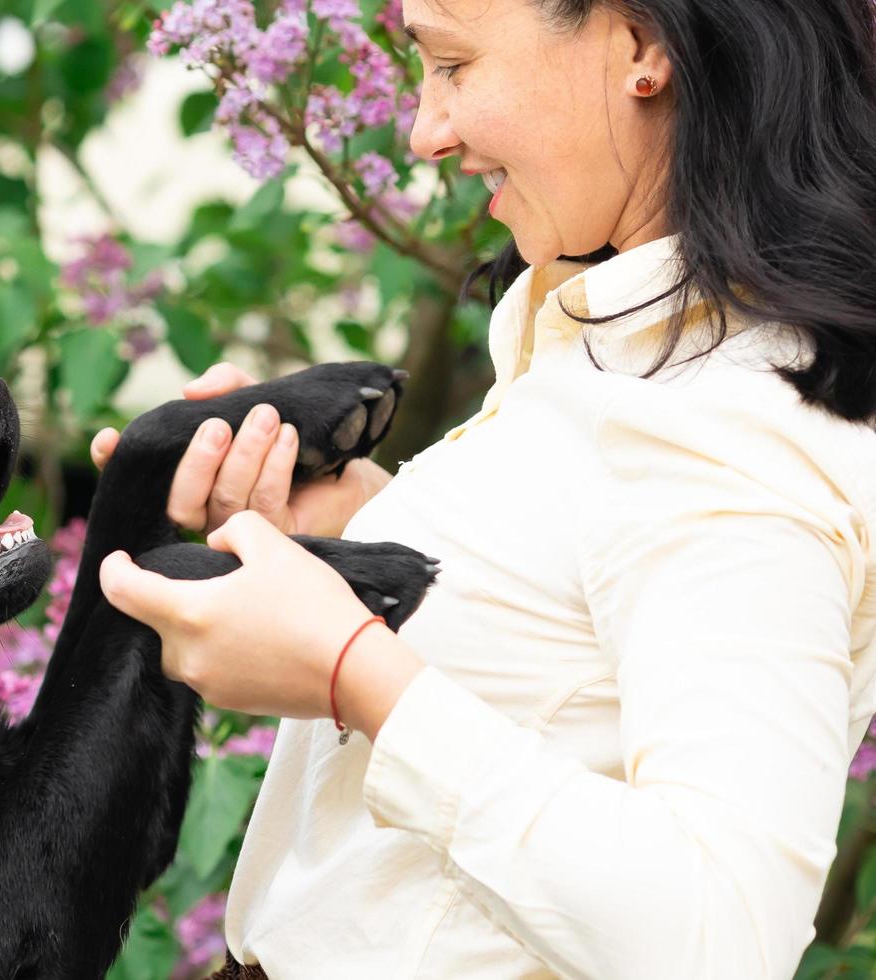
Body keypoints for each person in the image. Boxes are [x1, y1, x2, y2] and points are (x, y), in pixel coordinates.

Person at [89, 0, 876, 976]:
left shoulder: (728, 430)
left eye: (453, 64)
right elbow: (567, 642)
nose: (425, 130)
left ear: (641, 46)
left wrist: (349, 671)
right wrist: (357, 530)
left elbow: (716, 934)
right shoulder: (614, 344)